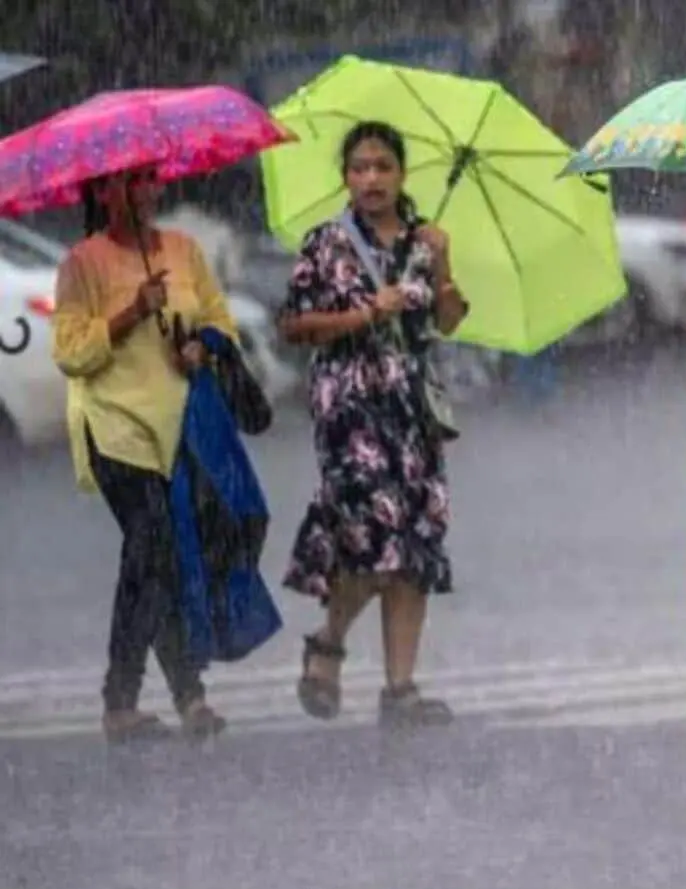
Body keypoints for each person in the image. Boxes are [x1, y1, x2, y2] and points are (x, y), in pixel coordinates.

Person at [277, 121, 469, 729]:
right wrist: (364, 313)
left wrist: (443, 264)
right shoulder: (326, 242)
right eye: (360, 168)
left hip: (411, 408)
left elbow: (449, 320)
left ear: (402, 174)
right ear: (346, 178)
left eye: (383, 166)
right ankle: (329, 643)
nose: (372, 178)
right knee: (371, 537)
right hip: (350, 406)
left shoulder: (423, 239)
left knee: (414, 545)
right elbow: (295, 325)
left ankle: (400, 688)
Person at [50, 166, 235, 743]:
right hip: (115, 428)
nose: (143, 191)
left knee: (163, 561)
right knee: (152, 545)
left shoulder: (183, 250)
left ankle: (175, 698)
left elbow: (219, 322)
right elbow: (71, 354)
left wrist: (200, 348)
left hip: (178, 427)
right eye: (127, 182)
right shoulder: (82, 264)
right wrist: (130, 312)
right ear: (102, 192)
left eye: (149, 178)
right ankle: (140, 699)